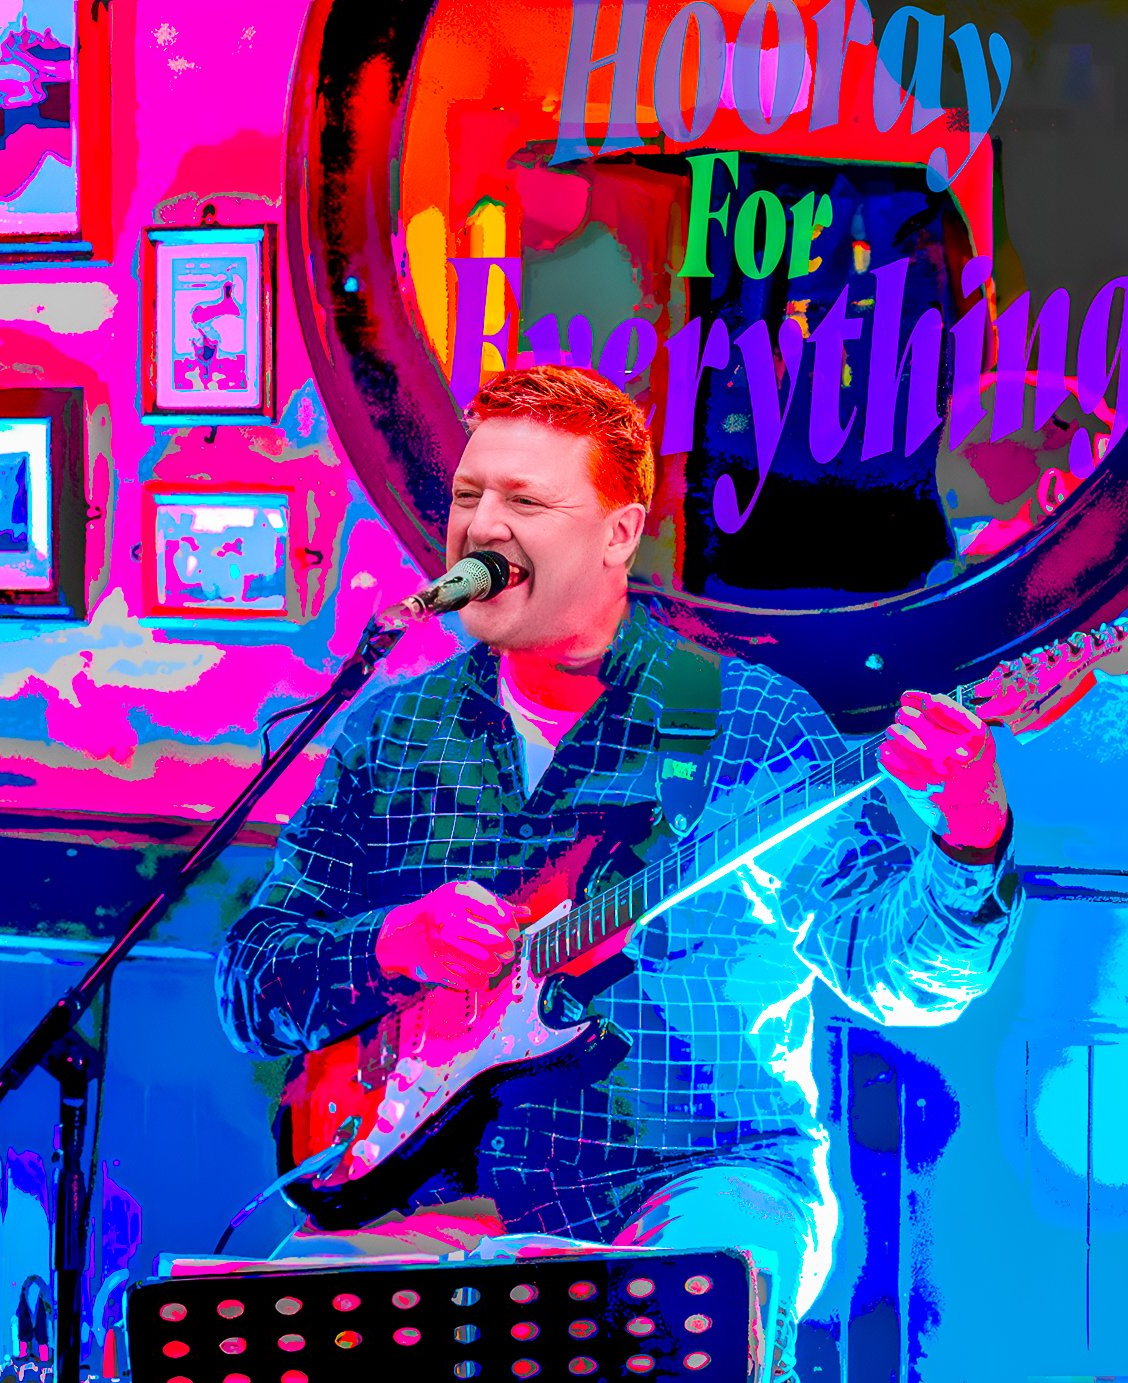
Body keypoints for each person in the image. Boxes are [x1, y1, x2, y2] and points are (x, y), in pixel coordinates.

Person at [215, 364, 1024, 1380]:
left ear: (618, 534)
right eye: (469, 496)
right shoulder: (392, 735)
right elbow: (252, 984)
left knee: (672, 1321)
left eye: (526, 502)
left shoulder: (750, 725)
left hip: (695, 1178)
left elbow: (904, 978)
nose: (482, 528)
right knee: (255, 1337)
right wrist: (392, 944)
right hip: (425, 1192)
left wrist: (969, 833)